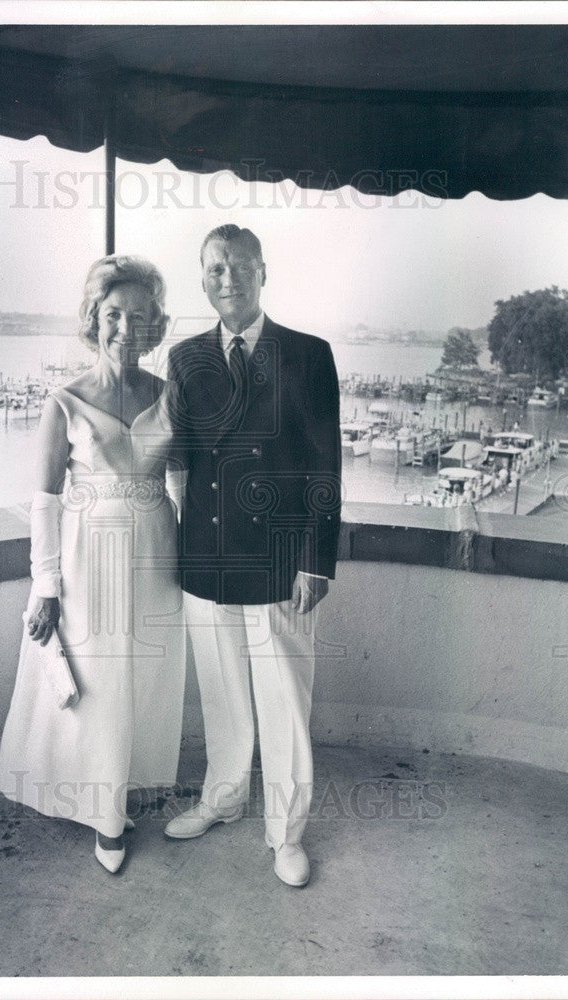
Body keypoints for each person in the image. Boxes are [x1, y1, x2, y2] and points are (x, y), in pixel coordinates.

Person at [163, 224, 341, 887]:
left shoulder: (306, 355)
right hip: (206, 557)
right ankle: (224, 798)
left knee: (284, 703)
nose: (226, 278)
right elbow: (179, 463)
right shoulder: (184, 359)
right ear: (202, 278)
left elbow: (325, 467)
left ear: (262, 272)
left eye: (239, 267)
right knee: (221, 693)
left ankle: (286, 834)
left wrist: (315, 561)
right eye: (214, 269)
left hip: (279, 561)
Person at [0, 256, 185, 874]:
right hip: (87, 560)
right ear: (94, 321)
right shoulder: (66, 402)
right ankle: (105, 819)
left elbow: (188, 483)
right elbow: (45, 502)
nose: (125, 329)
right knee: (98, 685)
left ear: (155, 327)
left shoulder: (169, 398)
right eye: (113, 315)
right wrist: (45, 586)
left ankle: (124, 791)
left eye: (139, 317)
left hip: (157, 554)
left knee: (142, 680)